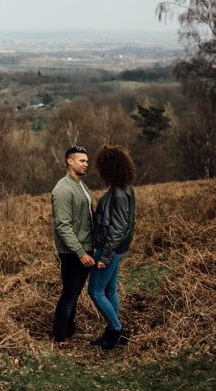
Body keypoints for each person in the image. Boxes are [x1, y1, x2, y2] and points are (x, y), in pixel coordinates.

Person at [88, 144, 136, 350]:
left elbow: (118, 228)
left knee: (95, 291)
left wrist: (105, 256)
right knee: (109, 290)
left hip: (109, 249)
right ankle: (112, 331)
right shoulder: (123, 188)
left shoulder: (118, 193)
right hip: (115, 249)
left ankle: (116, 330)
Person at [50, 145, 95, 343]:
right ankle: (59, 336)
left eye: (87, 161)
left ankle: (69, 332)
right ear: (70, 161)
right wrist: (80, 252)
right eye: (81, 161)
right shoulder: (62, 189)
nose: (86, 164)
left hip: (84, 247)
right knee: (70, 293)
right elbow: (63, 226)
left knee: (73, 293)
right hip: (72, 251)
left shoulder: (81, 185)